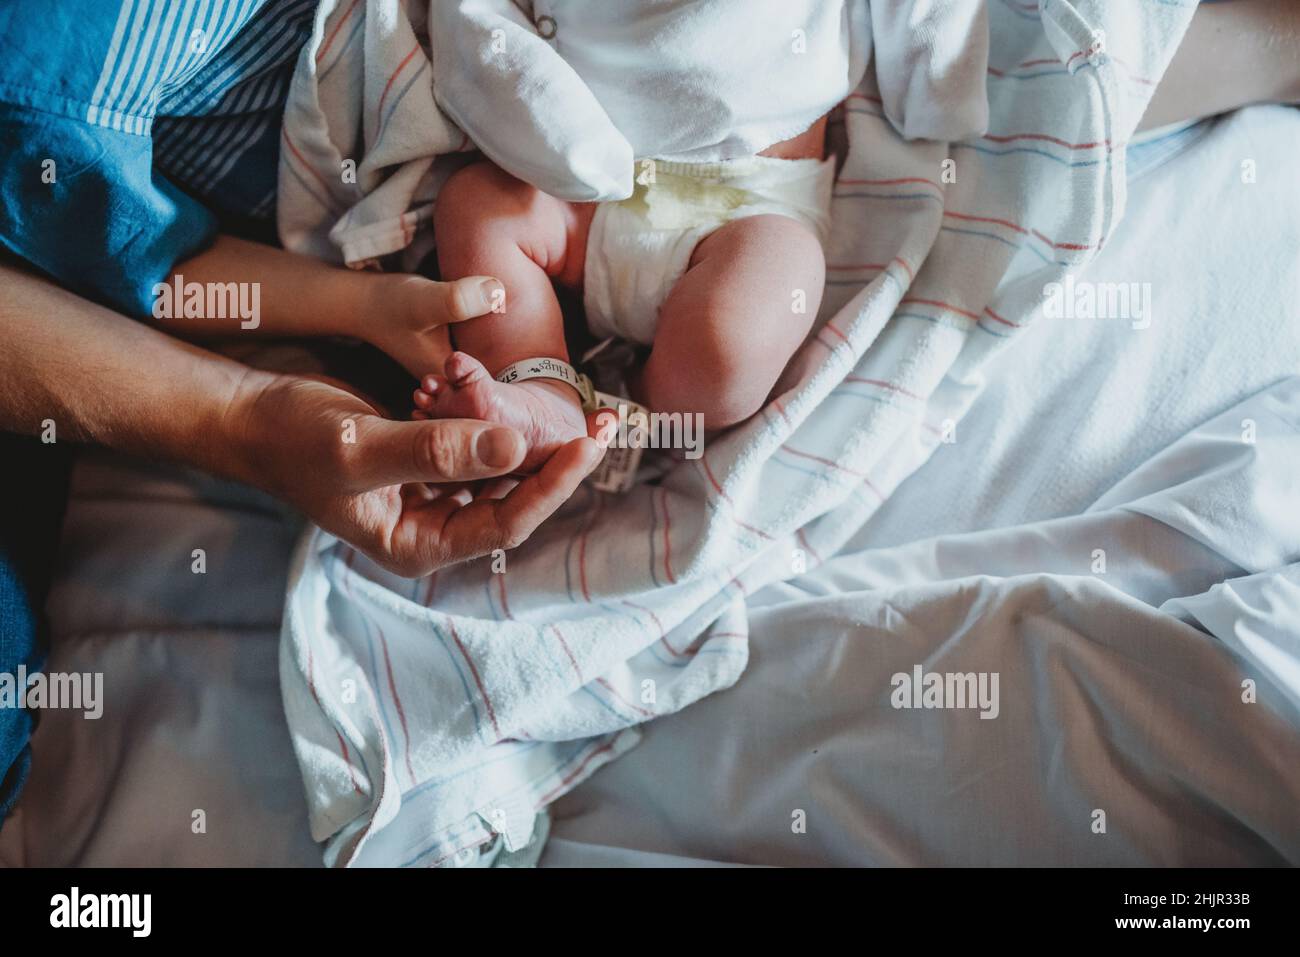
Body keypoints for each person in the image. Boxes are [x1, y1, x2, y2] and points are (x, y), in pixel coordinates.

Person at [0, 0, 1295, 827]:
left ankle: (670, 399)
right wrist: (338, 325)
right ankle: (547, 382)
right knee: (479, 223)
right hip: (549, 187)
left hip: (742, 202)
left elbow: (969, 60)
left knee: (744, 326)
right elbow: (181, 256)